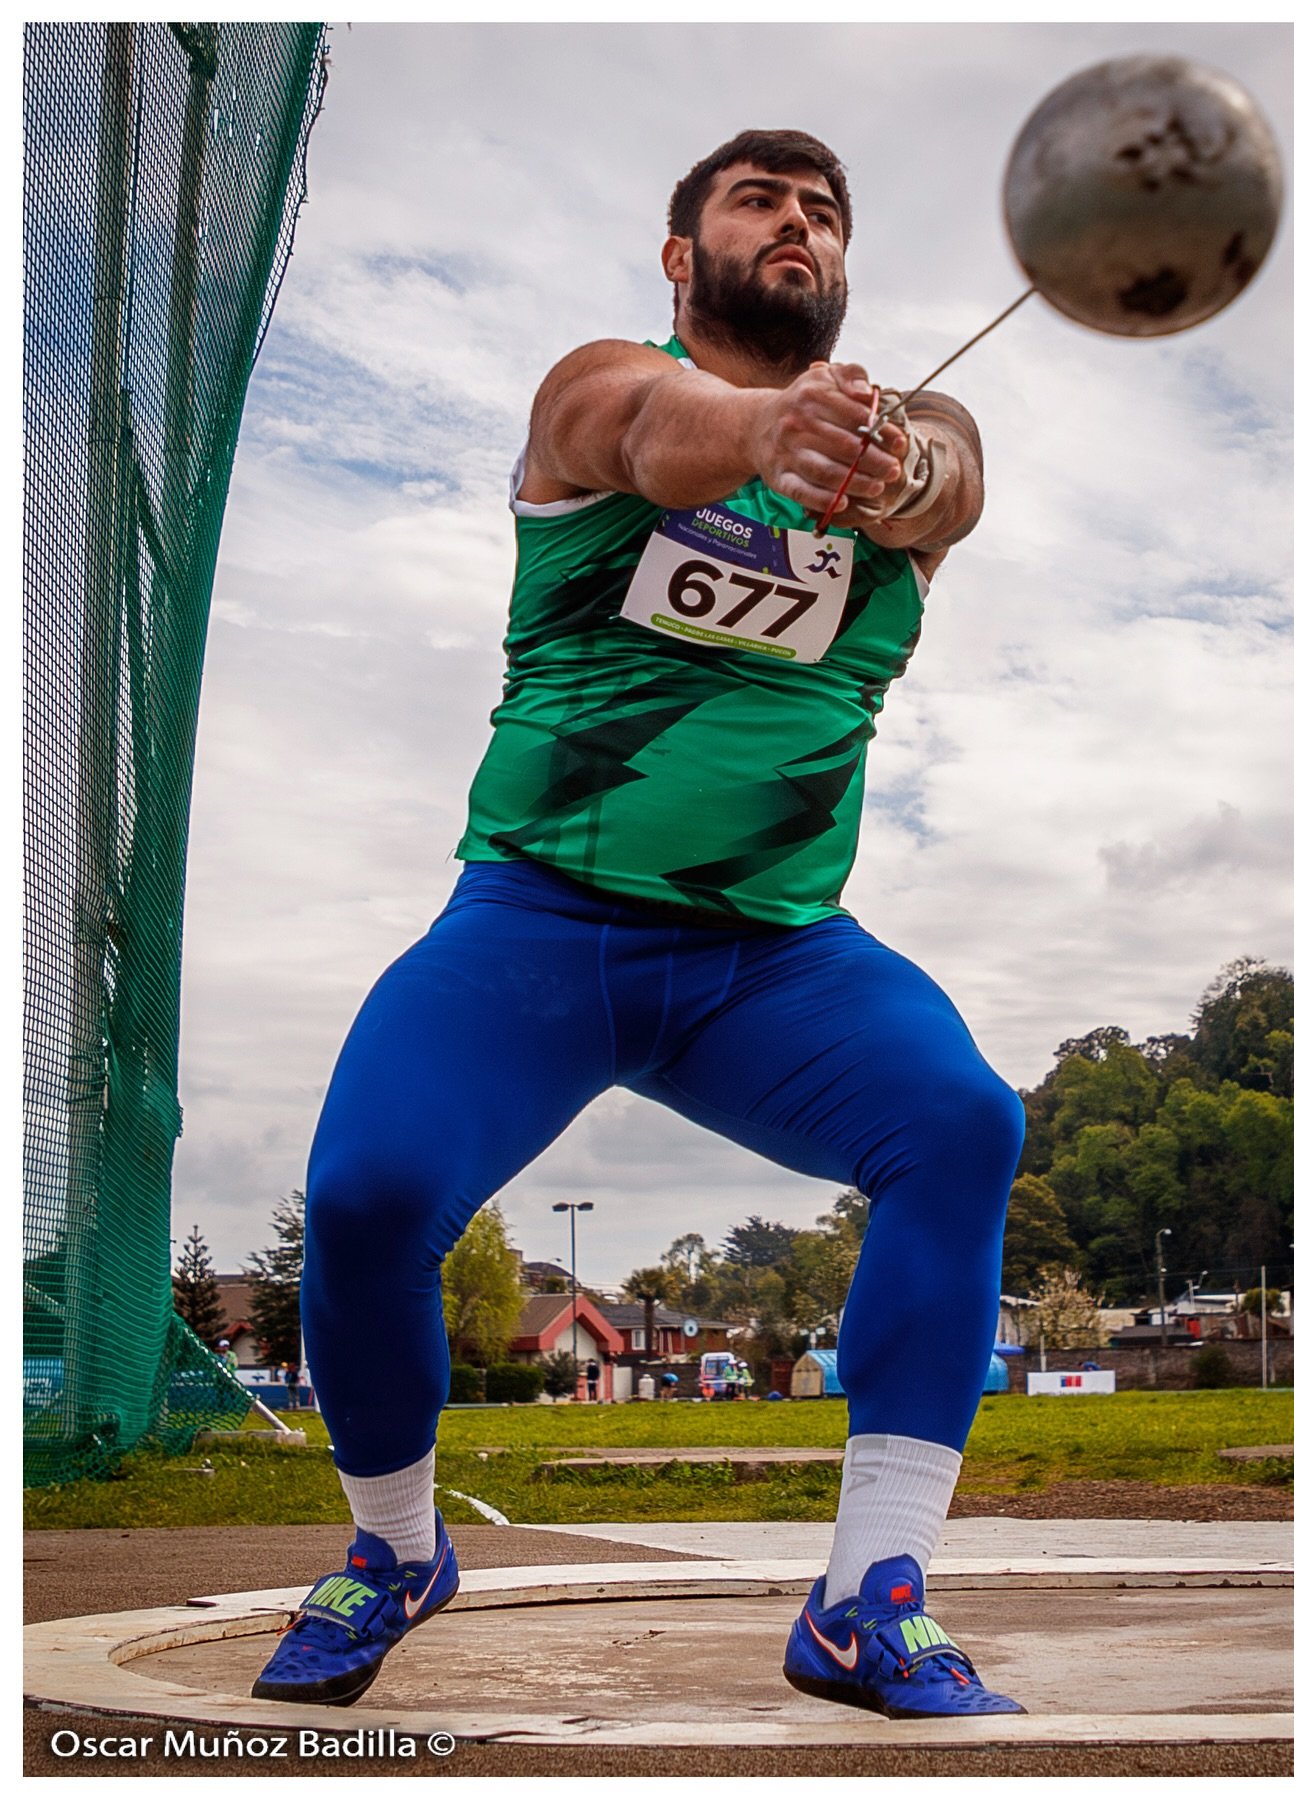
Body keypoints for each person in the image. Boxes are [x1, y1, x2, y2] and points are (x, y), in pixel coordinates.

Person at [254, 128, 1025, 1719]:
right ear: (685, 256)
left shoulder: (910, 429)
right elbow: (645, 426)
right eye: (759, 202)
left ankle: (868, 1599)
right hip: (537, 926)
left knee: (962, 1121)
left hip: (775, 956)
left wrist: (887, 470)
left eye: (823, 212)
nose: (796, 224)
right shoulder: (598, 386)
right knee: (369, 1191)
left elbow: (951, 473)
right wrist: (765, 433)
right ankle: (395, 1548)